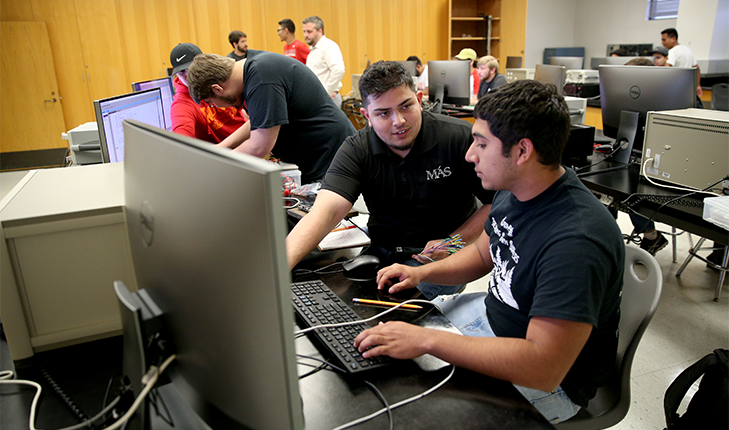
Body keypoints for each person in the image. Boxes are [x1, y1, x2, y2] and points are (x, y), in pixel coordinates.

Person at [354, 80, 625, 424]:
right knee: (387, 359)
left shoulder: (576, 241)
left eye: (481, 144)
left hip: (548, 380)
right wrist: (423, 272)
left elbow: (542, 368)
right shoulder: (516, 188)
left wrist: (427, 340)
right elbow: (484, 251)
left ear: (523, 151)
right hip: (492, 321)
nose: (470, 155)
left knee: (413, 411)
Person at [286, 61, 494, 299]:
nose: (399, 121)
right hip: (382, 251)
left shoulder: (457, 137)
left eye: (406, 106)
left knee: (397, 314)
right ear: (367, 116)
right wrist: (277, 270)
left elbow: (494, 203)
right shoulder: (357, 149)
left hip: (439, 258)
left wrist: (452, 243)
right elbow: (326, 212)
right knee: (336, 298)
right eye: (383, 113)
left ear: (418, 99)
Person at [186, 51, 355, 184]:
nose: (216, 107)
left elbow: (259, 146)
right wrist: (221, 148)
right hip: (321, 157)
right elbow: (259, 121)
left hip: (331, 158)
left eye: (211, 103)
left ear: (217, 89)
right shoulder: (253, 70)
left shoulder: (262, 78)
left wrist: (216, 166)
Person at [622, 56, 669, 254]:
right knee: (607, 188)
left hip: (665, 160)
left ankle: (651, 236)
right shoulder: (630, 96)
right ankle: (604, 233)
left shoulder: (672, 93)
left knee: (631, 191)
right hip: (635, 154)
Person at [168, 43, 250, 147]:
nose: (188, 75)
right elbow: (181, 143)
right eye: (182, 72)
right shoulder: (182, 106)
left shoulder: (221, 79)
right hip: (231, 154)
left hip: (252, 138)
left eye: (191, 68)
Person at [302, 15, 345, 108]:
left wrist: (327, 92)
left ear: (320, 31)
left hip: (328, 99)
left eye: (309, 31)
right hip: (318, 98)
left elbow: (338, 70)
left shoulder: (329, 46)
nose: (306, 35)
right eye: (304, 31)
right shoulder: (313, 50)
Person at [661, 28, 702, 99]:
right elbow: (697, 68)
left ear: (673, 39)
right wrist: (698, 85)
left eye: (664, 40)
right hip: (688, 88)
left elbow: (666, 69)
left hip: (676, 88)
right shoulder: (688, 49)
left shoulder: (673, 51)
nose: (662, 43)